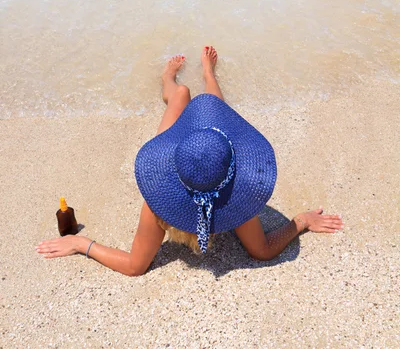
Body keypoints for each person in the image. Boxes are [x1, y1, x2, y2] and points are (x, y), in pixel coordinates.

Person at [36, 46, 344, 276]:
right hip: (186, 149)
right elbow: (263, 250)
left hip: (178, 151)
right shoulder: (233, 192)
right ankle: (174, 77)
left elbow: (134, 265)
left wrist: (82, 244)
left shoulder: (159, 197)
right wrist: (300, 221)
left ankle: (194, 77)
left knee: (184, 96)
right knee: (196, 98)